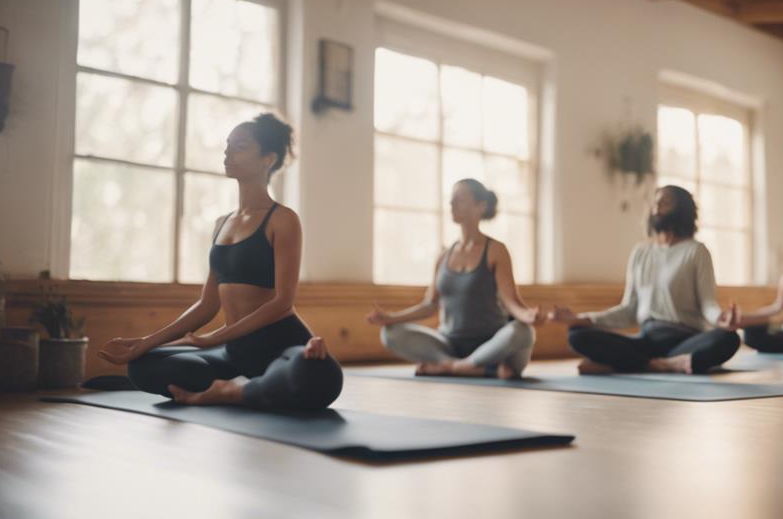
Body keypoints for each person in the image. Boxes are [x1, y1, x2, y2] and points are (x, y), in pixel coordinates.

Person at [99, 113, 342, 410]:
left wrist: (214, 336)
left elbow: (282, 302)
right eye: (227, 145)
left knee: (319, 375)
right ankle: (250, 389)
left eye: (240, 146)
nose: (228, 152)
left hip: (281, 345)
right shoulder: (221, 223)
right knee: (142, 365)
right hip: (234, 352)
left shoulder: (282, 219)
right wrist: (145, 342)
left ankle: (232, 393)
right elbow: (207, 305)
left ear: (268, 159)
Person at [552, 185, 741, 375]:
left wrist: (720, 318)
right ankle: (664, 365)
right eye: (655, 202)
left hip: (684, 341)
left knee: (729, 339)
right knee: (576, 335)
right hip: (646, 340)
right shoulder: (640, 253)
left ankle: (626, 364)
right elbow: (628, 310)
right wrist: (581, 319)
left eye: (665, 203)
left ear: (681, 209)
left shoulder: (696, 251)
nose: (656, 207)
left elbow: (707, 303)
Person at [367, 179, 545, 379]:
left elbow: (511, 302)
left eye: (459, 199)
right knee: (390, 333)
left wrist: (528, 316)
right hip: (449, 344)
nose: (451, 203)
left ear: (481, 206)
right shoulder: (444, 255)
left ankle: (456, 367)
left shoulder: (496, 250)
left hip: (492, 344)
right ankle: (473, 368)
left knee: (523, 332)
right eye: (451, 198)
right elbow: (429, 305)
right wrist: (391, 318)